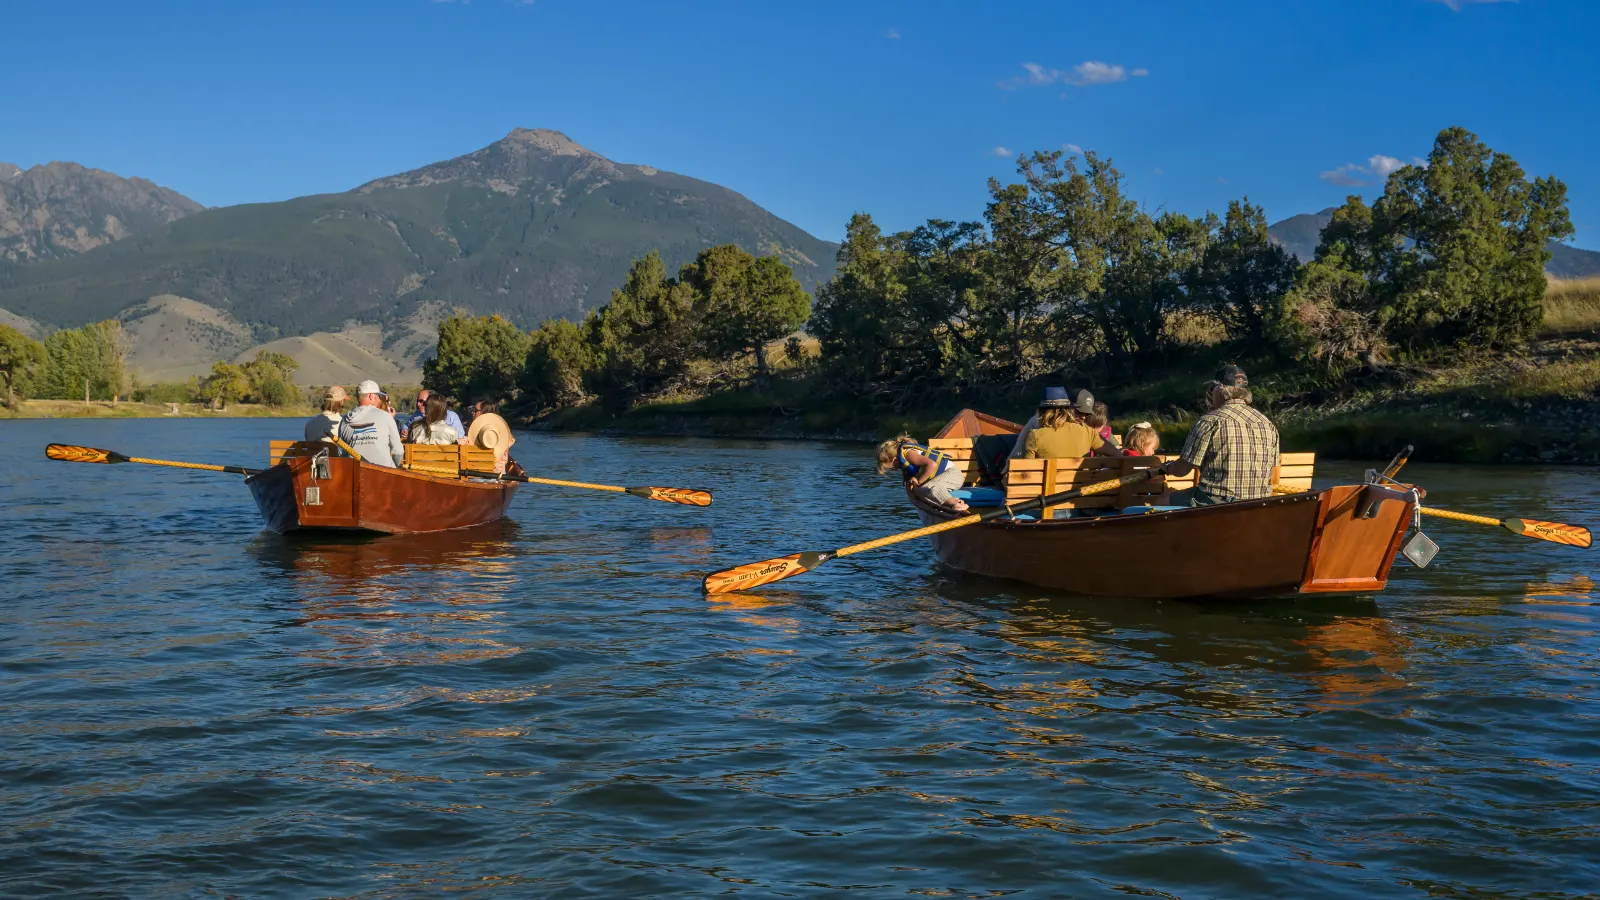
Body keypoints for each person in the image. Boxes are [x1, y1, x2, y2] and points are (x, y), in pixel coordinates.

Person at [1157, 365, 1279, 506]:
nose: (1210, 393)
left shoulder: (1209, 421)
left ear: (1220, 388)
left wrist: (1169, 468)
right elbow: (1272, 467)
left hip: (1216, 501)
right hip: (1260, 501)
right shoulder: (1266, 423)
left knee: (1163, 500)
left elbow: (1183, 469)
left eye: (1212, 389)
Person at [876, 433, 968, 512]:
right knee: (919, 491)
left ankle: (957, 504)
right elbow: (920, 470)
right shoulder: (903, 455)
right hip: (941, 476)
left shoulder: (909, 454)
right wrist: (915, 480)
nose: (894, 468)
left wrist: (918, 481)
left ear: (893, 459)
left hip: (952, 474)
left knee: (932, 489)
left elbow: (931, 464)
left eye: (892, 467)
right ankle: (944, 507)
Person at [1021, 391, 1121, 459]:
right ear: (1068, 409)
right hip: (1080, 489)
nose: (1083, 417)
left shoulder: (1035, 435)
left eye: (1086, 414)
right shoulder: (1089, 432)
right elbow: (1118, 455)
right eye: (1079, 413)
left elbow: (1027, 473)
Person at [339, 379, 406, 468]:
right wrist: (394, 467)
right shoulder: (386, 416)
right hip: (384, 473)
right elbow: (398, 451)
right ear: (371, 396)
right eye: (378, 396)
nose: (379, 399)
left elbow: (341, 453)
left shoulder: (344, 421)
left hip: (355, 472)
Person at [1008, 386, 1074, 460]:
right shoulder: (1082, 432)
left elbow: (1026, 465)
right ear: (1068, 411)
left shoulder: (1036, 428)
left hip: (1020, 466)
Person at [465, 397, 516, 474]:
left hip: (475, 476)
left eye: (475, 410)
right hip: (499, 475)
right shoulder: (506, 437)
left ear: (484, 413)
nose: (473, 413)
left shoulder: (468, 437)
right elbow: (511, 443)